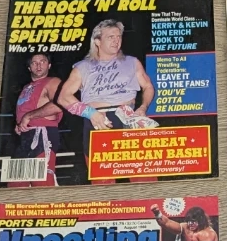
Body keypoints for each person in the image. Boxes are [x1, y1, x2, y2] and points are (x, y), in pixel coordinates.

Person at [57, 20, 156, 165]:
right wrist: (90, 113)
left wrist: (143, 107)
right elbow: (63, 97)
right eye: (111, 37)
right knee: (102, 174)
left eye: (119, 37)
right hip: (98, 121)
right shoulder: (82, 67)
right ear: (97, 41)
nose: (116, 41)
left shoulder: (132, 62)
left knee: (140, 171)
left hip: (128, 119)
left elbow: (148, 86)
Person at [15, 52, 63, 179]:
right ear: (29, 67)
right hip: (25, 136)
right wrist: (19, 123)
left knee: (41, 179)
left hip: (43, 133)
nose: (39, 65)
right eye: (34, 63)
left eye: (43, 61)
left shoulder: (52, 82)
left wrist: (28, 117)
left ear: (49, 65)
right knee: (17, 181)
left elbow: (60, 104)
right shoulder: (27, 87)